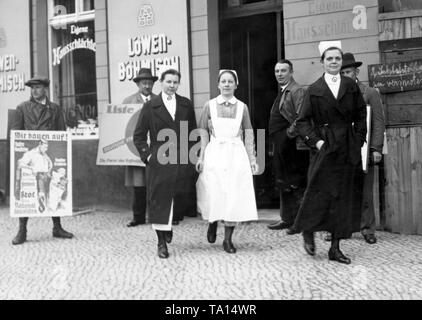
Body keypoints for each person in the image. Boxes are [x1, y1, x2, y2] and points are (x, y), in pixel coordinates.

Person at [291, 41, 367, 264]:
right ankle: (307, 229)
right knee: (318, 192)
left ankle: (335, 247)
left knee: (342, 197)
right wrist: (317, 143)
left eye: (337, 58)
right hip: (325, 148)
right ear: (322, 62)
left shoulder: (350, 86)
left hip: (347, 147)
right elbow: (302, 122)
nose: (334, 62)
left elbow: (361, 115)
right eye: (330, 58)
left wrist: (359, 139)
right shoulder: (314, 90)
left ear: (341, 62)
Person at [133, 69, 198, 259]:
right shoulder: (151, 106)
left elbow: (192, 133)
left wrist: (192, 157)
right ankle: (161, 242)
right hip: (159, 160)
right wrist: (148, 156)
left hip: (181, 160)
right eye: (168, 81)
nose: (172, 85)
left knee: (178, 200)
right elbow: (138, 136)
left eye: (175, 82)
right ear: (161, 83)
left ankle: (169, 225)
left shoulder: (186, 104)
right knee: (160, 201)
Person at [196, 70, 259, 254]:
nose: (226, 84)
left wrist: (252, 159)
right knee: (214, 190)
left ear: (235, 85)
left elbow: (249, 134)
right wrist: (201, 156)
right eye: (223, 81)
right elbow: (202, 132)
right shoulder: (209, 106)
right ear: (218, 84)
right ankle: (213, 222)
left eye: (230, 81)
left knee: (233, 194)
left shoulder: (242, 107)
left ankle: (228, 239)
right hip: (215, 152)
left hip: (235, 154)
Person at [10, 75, 74, 245]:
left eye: (38, 87)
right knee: (27, 191)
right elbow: (15, 135)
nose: (34, 91)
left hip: (49, 154)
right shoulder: (22, 108)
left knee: (54, 187)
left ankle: (57, 227)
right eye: (32, 88)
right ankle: (22, 230)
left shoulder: (55, 109)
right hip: (32, 155)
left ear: (45, 89)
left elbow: (61, 132)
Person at [339, 52, 385, 244]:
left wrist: (376, 148)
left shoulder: (370, 93)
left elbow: (378, 122)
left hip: (364, 150)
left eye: (348, 71)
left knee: (366, 190)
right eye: (341, 72)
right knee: (344, 189)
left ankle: (367, 228)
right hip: (343, 150)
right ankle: (343, 228)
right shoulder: (336, 95)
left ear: (356, 71)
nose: (344, 75)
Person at [267, 60, 309, 233]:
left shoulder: (297, 90)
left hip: (292, 145)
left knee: (296, 183)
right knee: (283, 181)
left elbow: (302, 117)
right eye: (277, 71)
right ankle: (287, 218)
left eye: (283, 71)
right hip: (281, 144)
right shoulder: (283, 91)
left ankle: (299, 223)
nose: (279, 74)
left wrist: (287, 135)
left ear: (291, 72)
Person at [122, 68, 158, 227]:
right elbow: (123, 124)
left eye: (150, 83)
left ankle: (156, 216)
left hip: (156, 147)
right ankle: (138, 217)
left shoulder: (159, 100)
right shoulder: (128, 101)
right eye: (144, 83)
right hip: (136, 148)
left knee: (156, 183)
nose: (147, 86)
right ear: (138, 84)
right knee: (139, 185)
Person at [15, 139, 53, 213]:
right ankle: (41, 207)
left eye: (47, 147)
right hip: (38, 176)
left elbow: (49, 164)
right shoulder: (31, 153)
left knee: (49, 195)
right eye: (45, 147)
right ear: (40, 145)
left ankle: (48, 208)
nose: (46, 149)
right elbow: (20, 163)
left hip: (46, 176)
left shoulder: (45, 154)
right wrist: (31, 168)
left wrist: (49, 171)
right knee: (41, 193)